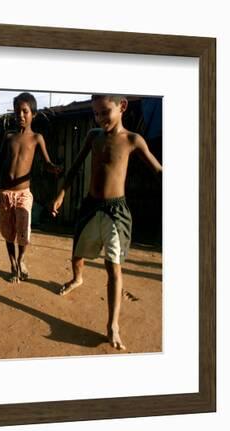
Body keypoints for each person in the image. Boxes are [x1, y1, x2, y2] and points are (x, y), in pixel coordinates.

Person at [51, 94, 162, 350]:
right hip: (91, 206)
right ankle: (77, 278)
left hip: (116, 212)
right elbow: (76, 165)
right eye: (96, 113)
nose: (100, 118)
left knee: (114, 268)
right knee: (77, 253)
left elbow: (157, 169)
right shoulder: (93, 136)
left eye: (105, 112)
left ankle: (112, 324)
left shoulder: (133, 140)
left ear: (122, 107)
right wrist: (61, 192)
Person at [0, 92, 61, 283]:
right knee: (8, 232)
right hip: (4, 192)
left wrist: (53, 168)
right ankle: (12, 265)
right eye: (17, 111)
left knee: (23, 231)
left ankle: (21, 259)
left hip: (23, 193)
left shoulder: (37, 138)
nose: (20, 115)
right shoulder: (8, 136)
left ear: (33, 114)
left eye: (25, 111)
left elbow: (46, 162)